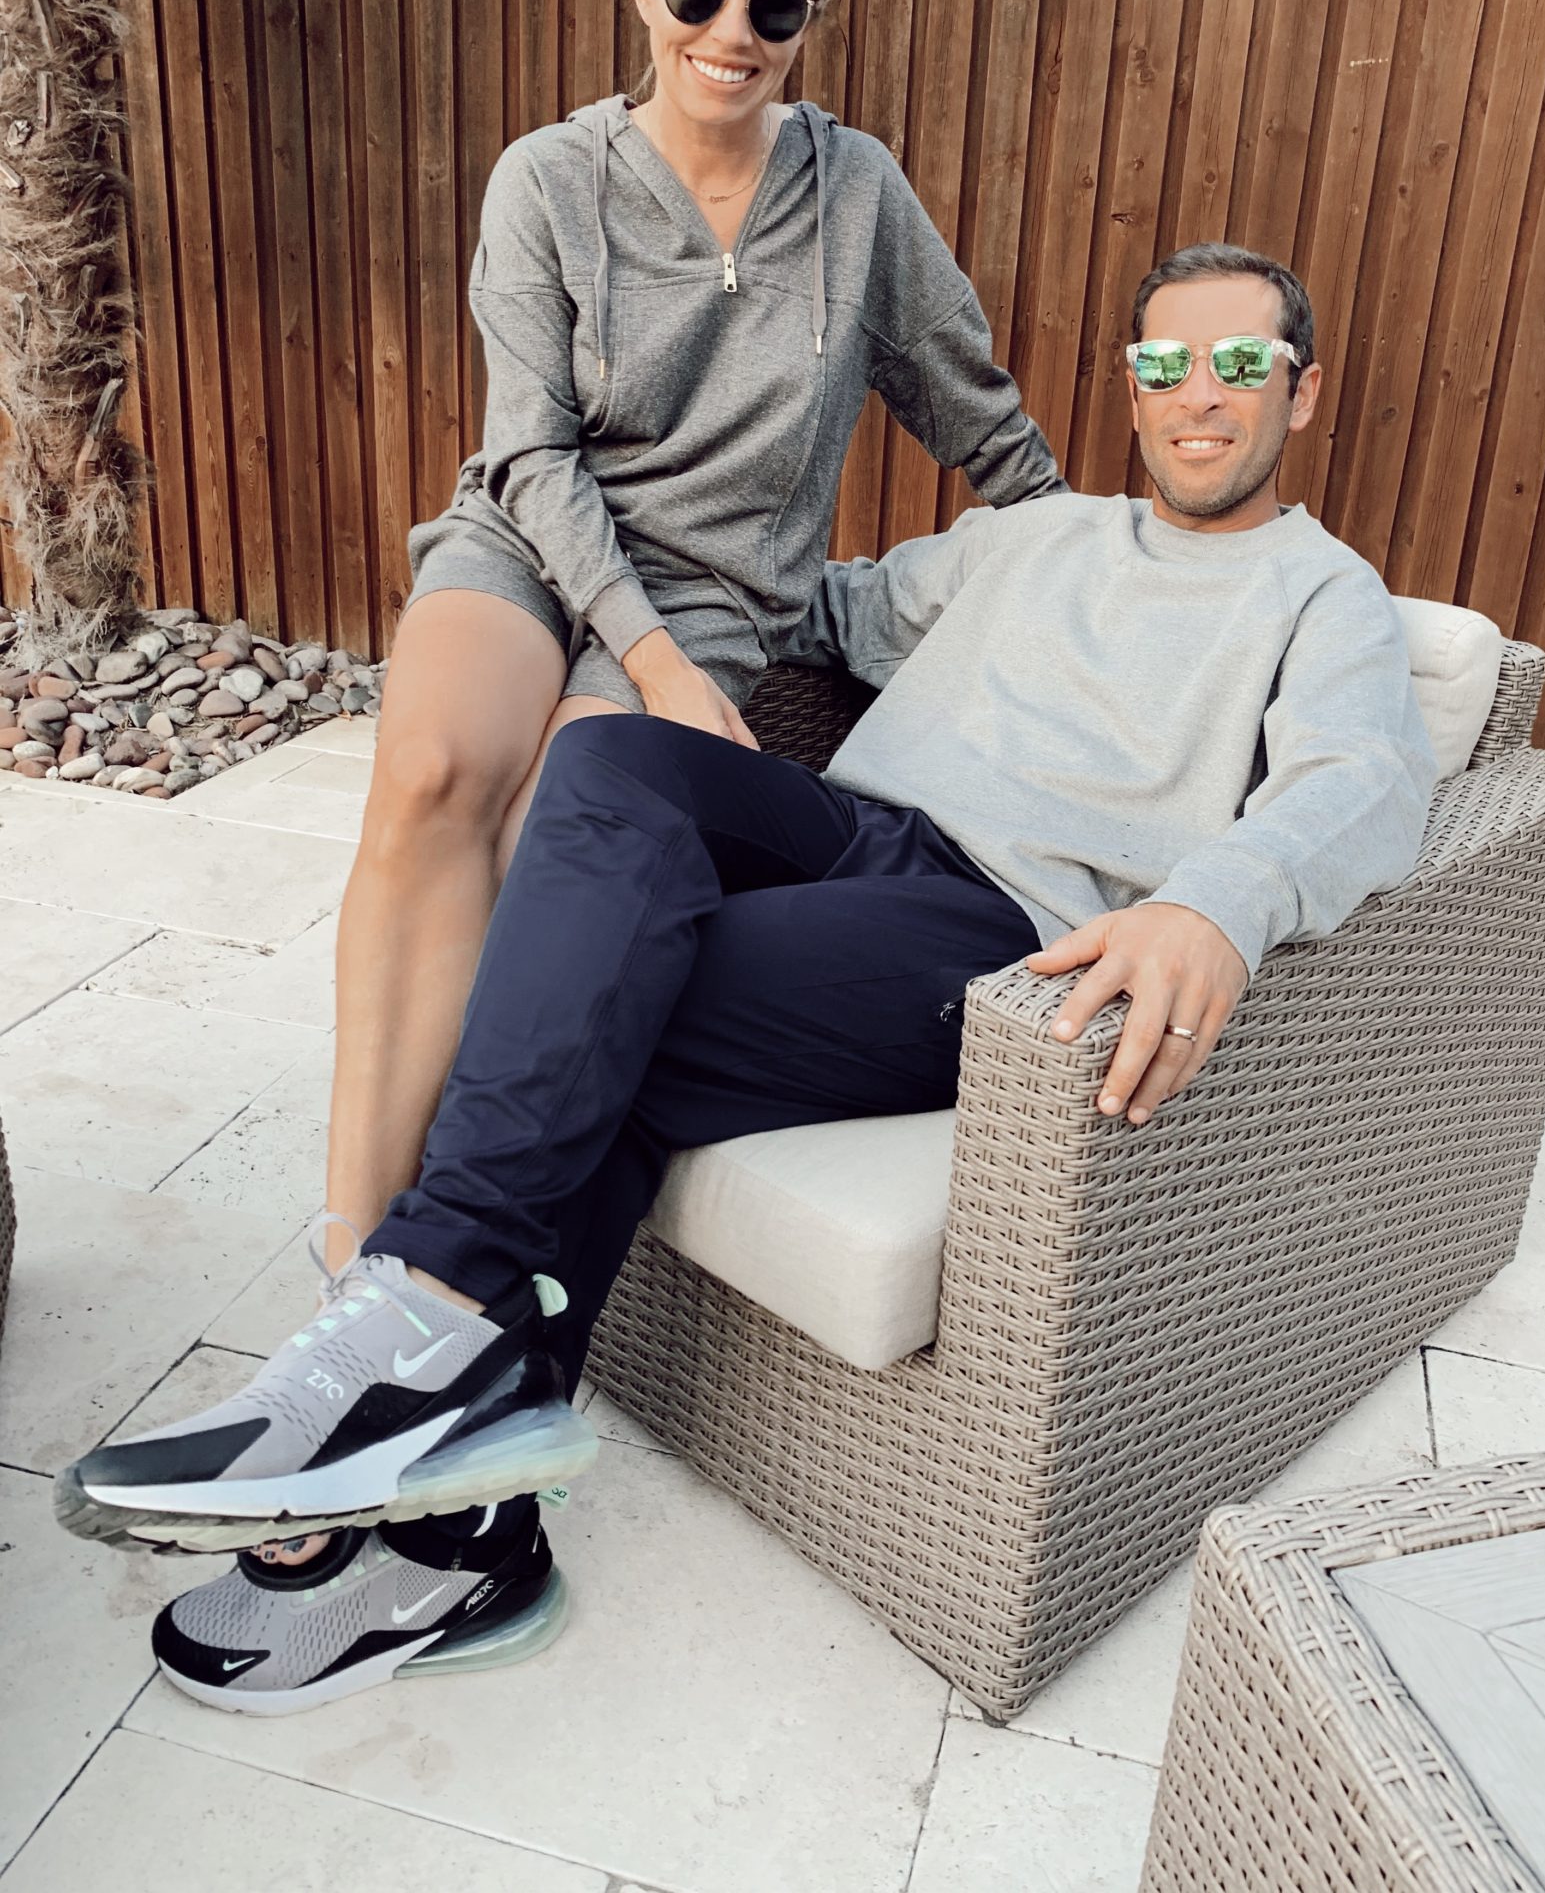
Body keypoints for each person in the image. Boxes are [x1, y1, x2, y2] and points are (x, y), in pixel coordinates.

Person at [59, 244, 1438, 1716]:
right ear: (1134, 389)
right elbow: (818, 607)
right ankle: (445, 1416)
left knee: (600, 997)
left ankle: (439, 1423)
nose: (1200, 397)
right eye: (1167, 365)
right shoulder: (1034, 539)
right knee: (608, 757)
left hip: (1002, 924)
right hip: (848, 830)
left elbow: (1365, 784)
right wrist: (587, 600)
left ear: (1301, 391)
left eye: (1239, 365)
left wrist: (1214, 905)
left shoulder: (1320, 595)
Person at [329, 0, 1065, 1284]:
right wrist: (648, 659)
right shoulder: (547, 178)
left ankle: (451, 1236)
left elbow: (972, 407)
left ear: (808, 19)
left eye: (773, 4)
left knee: (557, 844)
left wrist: (1100, 564)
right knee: (431, 771)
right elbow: (529, 449)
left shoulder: (858, 196)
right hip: (531, 538)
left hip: (720, 588)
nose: (732, 33)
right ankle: (351, 1251)